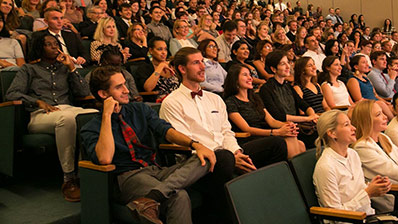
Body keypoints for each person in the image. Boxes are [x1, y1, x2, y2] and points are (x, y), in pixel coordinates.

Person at [160, 47, 287, 222]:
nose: (202, 67)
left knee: (277, 143)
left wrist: (237, 153)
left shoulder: (215, 99)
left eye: (202, 62)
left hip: (227, 154)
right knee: (224, 158)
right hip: (199, 163)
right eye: (196, 63)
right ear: (182, 69)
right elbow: (186, 142)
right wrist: (228, 157)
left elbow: (226, 132)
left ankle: (271, 207)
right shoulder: (172, 102)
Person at [81, 66, 215, 224]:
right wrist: (107, 115)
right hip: (129, 177)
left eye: (125, 84)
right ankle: (155, 196)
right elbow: (104, 158)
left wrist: (195, 144)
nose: (127, 90)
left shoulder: (139, 109)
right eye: (119, 87)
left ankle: (151, 198)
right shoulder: (91, 127)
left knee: (206, 157)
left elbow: (166, 131)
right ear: (103, 94)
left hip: (156, 170)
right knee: (178, 196)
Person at [5, 33, 97, 202]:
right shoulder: (29, 69)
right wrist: (37, 102)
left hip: (67, 109)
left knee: (94, 115)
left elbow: (84, 93)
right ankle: (69, 178)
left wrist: (71, 68)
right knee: (67, 119)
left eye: (56, 44)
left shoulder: (64, 68)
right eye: (49, 44)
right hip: (40, 116)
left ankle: (89, 172)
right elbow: (11, 94)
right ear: (40, 48)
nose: (55, 47)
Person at [313, 110, 398, 224]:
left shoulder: (352, 154)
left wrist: (377, 185)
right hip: (353, 220)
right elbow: (334, 215)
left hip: (369, 216)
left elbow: (357, 187)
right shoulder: (326, 167)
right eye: (347, 125)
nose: (353, 128)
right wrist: (368, 193)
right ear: (332, 133)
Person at [225, 64, 305, 158]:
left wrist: (287, 125)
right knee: (288, 139)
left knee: (300, 144)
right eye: (245, 75)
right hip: (248, 139)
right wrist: (276, 132)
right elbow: (246, 129)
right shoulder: (231, 102)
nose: (250, 78)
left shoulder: (255, 99)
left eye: (250, 75)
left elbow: (272, 121)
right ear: (235, 80)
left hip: (264, 136)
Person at [259, 50, 319, 148]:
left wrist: (312, 115)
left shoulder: (288, 86)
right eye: (283, 64)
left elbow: (303, 104)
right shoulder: (266, 89)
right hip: (284, 127)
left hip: (297, 125)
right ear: (273, 69)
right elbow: (278, 116)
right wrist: (307, 118)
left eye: (288, 62)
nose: (288, 67)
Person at [347, 55, 394, 119]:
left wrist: (385, 102)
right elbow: (359, 100)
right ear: (356, 66)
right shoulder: (353, 80)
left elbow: (376, 95)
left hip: (376, 102)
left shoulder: (366, 78)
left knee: (393, 107)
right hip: (366, 105)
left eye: (367, 62)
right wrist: (377, 103)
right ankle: (394, 123)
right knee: (382, 105)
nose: (367, 65)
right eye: (364, 63)